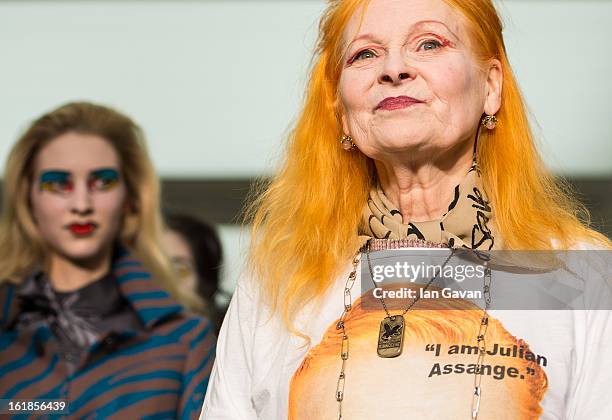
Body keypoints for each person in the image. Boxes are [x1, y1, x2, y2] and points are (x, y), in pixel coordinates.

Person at [201, 0, 611, 419]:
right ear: (341, 111)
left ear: (491, 87)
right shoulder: (281, 278)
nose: (394, 69)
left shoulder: (584, 276)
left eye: (429, 44)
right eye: (365, 53)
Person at [0, 102, 215, 418]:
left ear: (130, 198)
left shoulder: (183, 341)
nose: (81, 203)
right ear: (27, 197)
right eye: (59, 183)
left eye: (102, 182)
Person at [163, 213, 227, 333]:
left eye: (179, 271)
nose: (162, 282)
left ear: (205, 285)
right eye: (151, 268)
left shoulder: (226, 347)